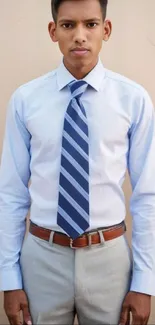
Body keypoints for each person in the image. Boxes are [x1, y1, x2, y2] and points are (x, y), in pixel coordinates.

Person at [0, 0, 155, 324]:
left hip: (109, 258)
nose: (80, 36)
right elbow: (11, 194)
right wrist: (9, 279)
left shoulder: (133, 100)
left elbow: (147, 196)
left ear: (106, 29)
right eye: (68, 25)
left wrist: (145, 282)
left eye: (91, 24)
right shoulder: (26, 100)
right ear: (53, 31)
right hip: (42, 257)